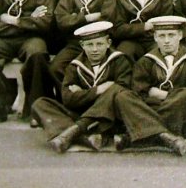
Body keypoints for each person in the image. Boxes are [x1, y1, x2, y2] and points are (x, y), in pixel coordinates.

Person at [31, 21, 132, 153]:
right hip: (81, 113)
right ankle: (85, 137)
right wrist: (98, 90)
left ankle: (73, 133)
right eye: (90, 44)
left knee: (116, 91)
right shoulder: (74, 66)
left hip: (109, 118)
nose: (95, 49)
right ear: (82, 45)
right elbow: (68, 99)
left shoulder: (119, 61)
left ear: (108, 43)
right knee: (40, 104)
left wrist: (82, 93)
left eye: (99, 44)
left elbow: (122, 90)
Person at [114, 16, 186, 155]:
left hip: (179, 111)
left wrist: (166, 95)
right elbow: (140, 91)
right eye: (162, 36)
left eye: (171, 35)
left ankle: (139, 135)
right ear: (155, 37)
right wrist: (154, 97)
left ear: (180, 35)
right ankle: (167, 137)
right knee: (122, 96)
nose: (167, 41)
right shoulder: (146, 61)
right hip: (152, 107)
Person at [51, 0, 119, 84]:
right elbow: (61, 19)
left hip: (100, 44)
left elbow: (107, 19)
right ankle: (69, 99)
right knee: (56, 67)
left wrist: (74, 18)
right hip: (76, 43)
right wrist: (86, 18)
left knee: (111, 69)